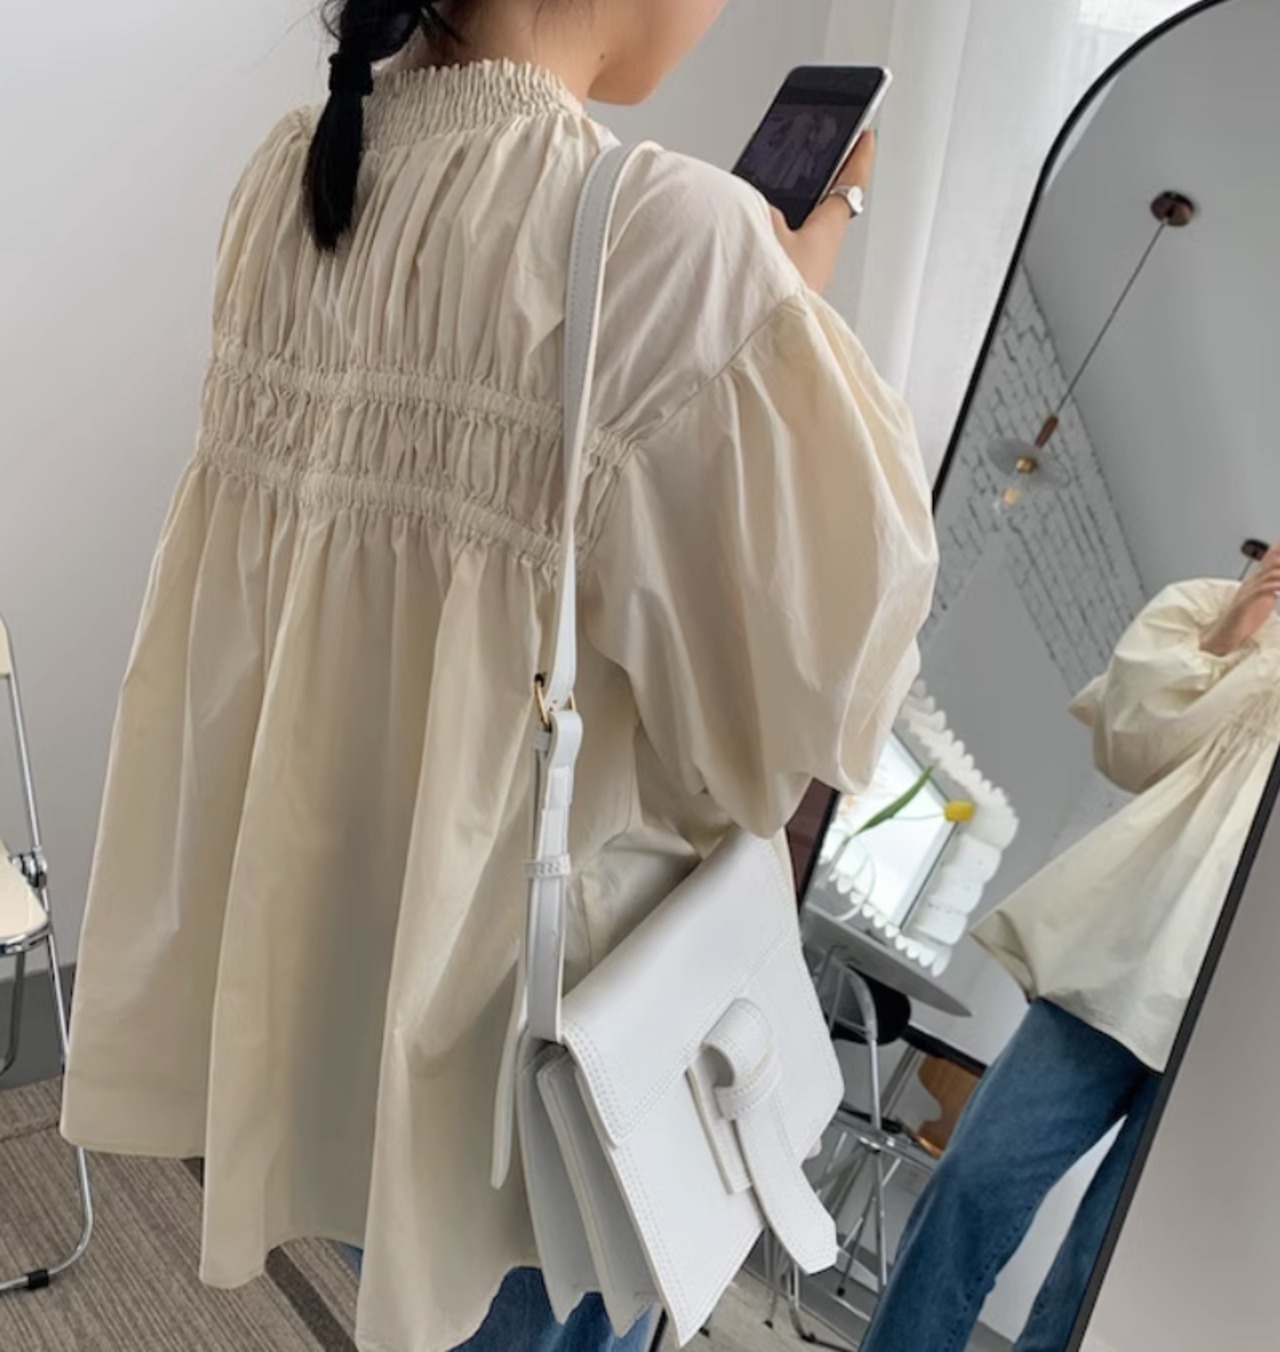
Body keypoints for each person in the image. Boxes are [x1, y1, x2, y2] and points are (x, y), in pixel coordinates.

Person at [59, 3, 938, 1351]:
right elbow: (803, 714)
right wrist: (773, 321)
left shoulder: (292, 171)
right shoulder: (673, 242)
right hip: (532, 1062)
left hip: (344, 981)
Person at [859, 551, 1280, 1352]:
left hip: (1243, 1033)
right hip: (1127, 963)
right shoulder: (1214, 609)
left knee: (1097, 1279)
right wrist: (1229, 633)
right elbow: (1128, 747)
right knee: (972, 1185)